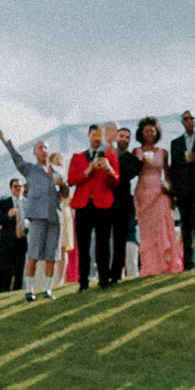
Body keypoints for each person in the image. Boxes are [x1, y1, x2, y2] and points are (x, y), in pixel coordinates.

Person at [0, 129, 71, 301]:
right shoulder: (30, 169)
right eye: (40, 148)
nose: (43, 150)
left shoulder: (58, 171)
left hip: (55, 216)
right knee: (33, 254)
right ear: (34, 152)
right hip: (37, 216)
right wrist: (5, 140)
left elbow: (66, 194)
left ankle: (48, 290)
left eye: (45, 148)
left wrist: (62, 186)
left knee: (52, 255)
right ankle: (29, 291)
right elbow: (16, 157)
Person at [65, 125, 120, 290]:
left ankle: (104, 279)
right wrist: (87, 170)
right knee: (83, 245)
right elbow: (71, 180)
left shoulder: (110, 157)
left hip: (103, 204)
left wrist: (109, 169)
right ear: (89, 135)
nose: (97, 138)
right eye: (94, 134)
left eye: (100, 135)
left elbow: (116, 182)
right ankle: (83, 282)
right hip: (83, 205)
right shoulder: (78, 157)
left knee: (103, 244)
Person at [132, 118, 181, 277]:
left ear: (156, 133)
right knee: (147, 232)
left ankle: (166, 263)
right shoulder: (136, 152)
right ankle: (150, 266)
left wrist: (171, 192)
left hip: (160, 192)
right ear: (141, 134)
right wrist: (140, 162)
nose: (149, 134)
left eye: (152, 131)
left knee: (163, 225)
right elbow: (134, 172)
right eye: (146, 131)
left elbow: (167, 175)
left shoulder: (163, 152)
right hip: (143, 193)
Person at [168, 111, 195, 271]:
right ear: (182, 122)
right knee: (185, 225)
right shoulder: (176, 143)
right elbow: (173, 168)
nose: (188, 122)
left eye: (191, 119)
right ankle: (188, 262)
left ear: (194, 121)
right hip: (182, 189)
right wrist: (173, 191)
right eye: (185, 119)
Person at [109, 124, 139, 284]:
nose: (124, 139)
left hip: (123, 203)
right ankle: (106, 273)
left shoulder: (132, 159)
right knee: (106, 239)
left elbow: (126, 175)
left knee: (122, 240)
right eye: (121, 136)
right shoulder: (106, 155)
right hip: (106, 202)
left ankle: (117, 275)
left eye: (127, 137)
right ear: (116, 137)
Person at [0, 178, 25, 293]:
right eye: (15, 186)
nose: (18, 188)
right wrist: (8, 215)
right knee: (6, 269)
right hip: (8, 241)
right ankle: (3, 292)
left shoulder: (26, 202)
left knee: (20, 268)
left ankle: (18, 291)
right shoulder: (4, 201)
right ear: (11, 188)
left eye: (20, 186)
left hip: (22, 240)